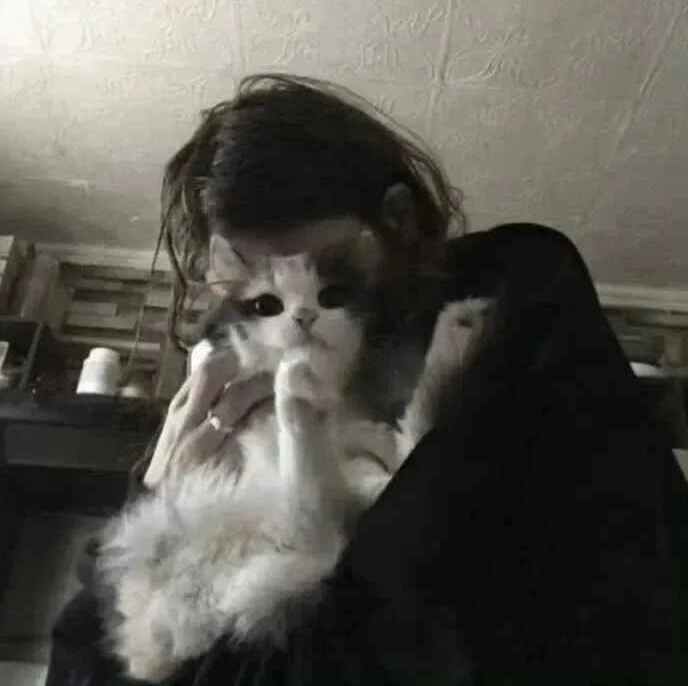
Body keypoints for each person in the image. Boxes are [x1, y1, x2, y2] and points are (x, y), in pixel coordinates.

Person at [46, 74, 688, 685]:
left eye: (332, 271)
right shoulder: (231, 395)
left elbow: (400, 630)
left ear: (398, 222)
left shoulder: (510, 292)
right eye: (260, 293)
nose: (299, 320)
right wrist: (152, 503)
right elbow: (98, 656)